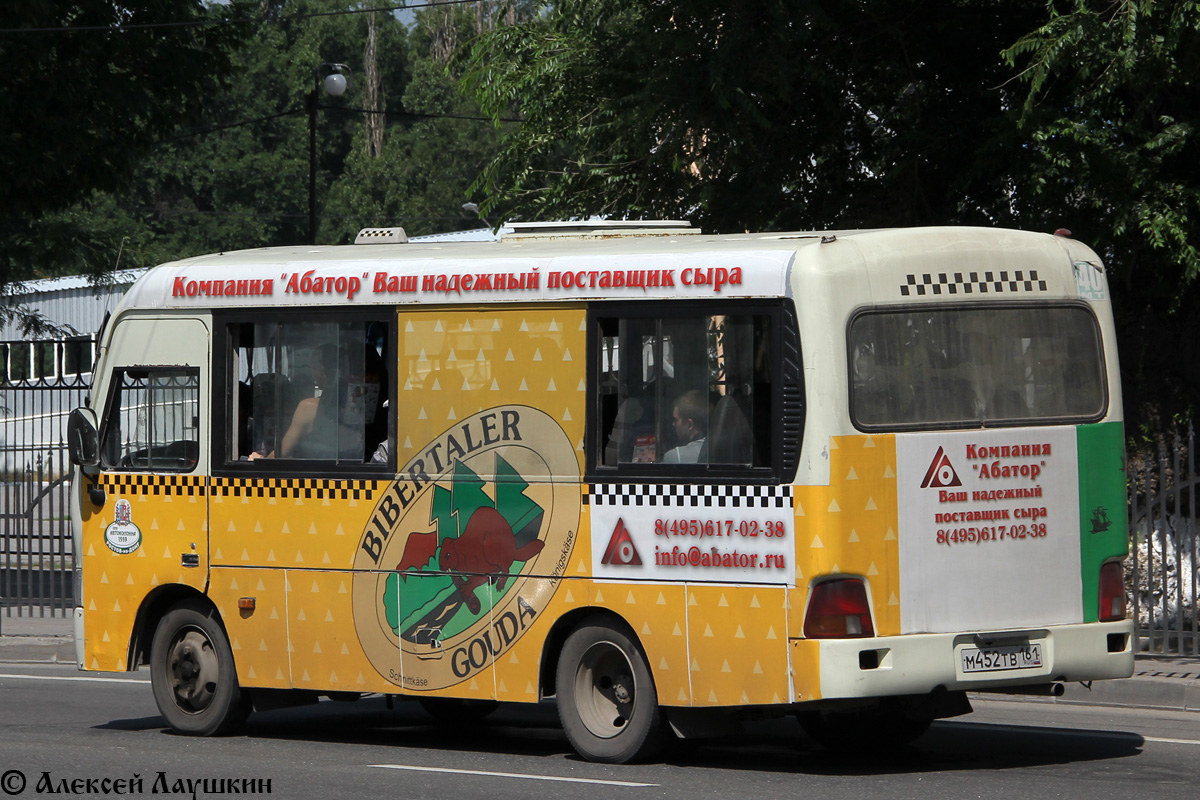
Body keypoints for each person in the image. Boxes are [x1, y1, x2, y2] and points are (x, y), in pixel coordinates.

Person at [662, 389, 709, 464]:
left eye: (675, 420)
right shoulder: (717, 449)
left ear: (689, 424)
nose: (673, 424)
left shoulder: (675, 457)